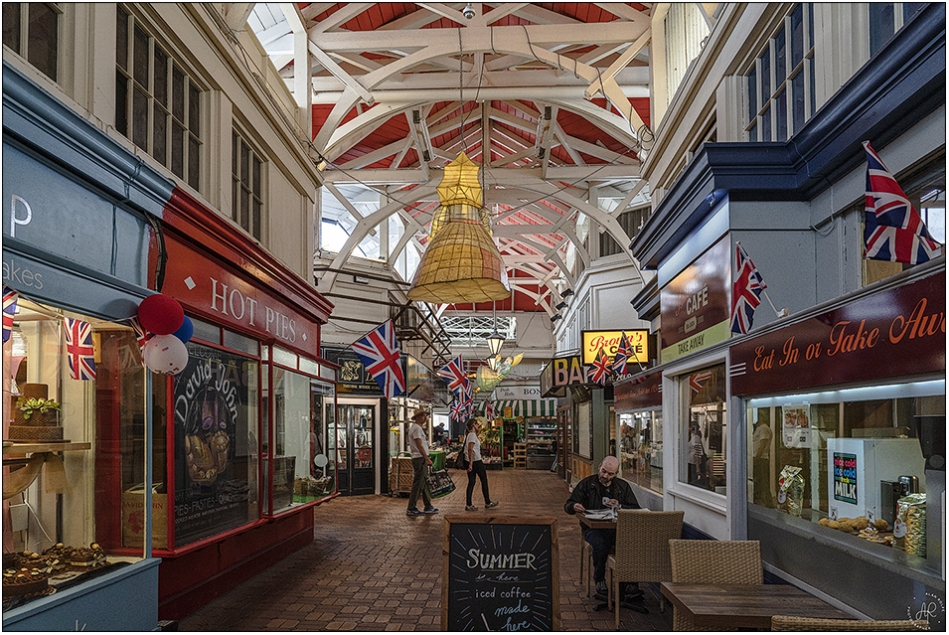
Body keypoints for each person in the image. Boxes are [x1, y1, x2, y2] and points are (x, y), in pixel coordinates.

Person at [564, 456, 641, 604]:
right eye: (603, 471)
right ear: (599, 466)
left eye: (610, 474)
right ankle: (599, 578)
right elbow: (568, 504)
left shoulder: (622, 487)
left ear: (616, 473)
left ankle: (629, 583)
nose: (605, 476)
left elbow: (635, 508)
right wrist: (573, 506)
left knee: (630, 542)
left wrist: (620, 505)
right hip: (592, 528)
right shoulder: (587, 484)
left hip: (617, 528)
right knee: (600, 544)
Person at [406, 408, 438, 517]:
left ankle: (428, 505)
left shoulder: (417, 428)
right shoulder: (417, 429)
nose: (425, 418)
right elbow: (419, 444)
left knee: (424, 483)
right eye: (423, 416)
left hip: (420, 457)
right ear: (418, 417)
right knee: (418, 483)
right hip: (419, 458)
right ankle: (411, 507)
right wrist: (426, 458)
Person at [464, 418, 499, 512]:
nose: (478, 425)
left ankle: (469, 504)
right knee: (483, 480)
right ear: (472, 425)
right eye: (476, 424)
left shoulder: (471, 434)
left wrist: (478, 430)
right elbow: (470, 449)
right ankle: (487, 502)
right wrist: (471, 463)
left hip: (472, 461)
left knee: (472, 482)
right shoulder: (471, 435)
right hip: (475, 461)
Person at [752, 418, 774, 507]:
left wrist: (755, 460)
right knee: (757, 483)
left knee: (762, 484)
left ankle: (767, 505)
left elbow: (762, 446)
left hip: (761, 459)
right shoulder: (757, 429)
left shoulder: (764, 429)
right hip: (755, 458)